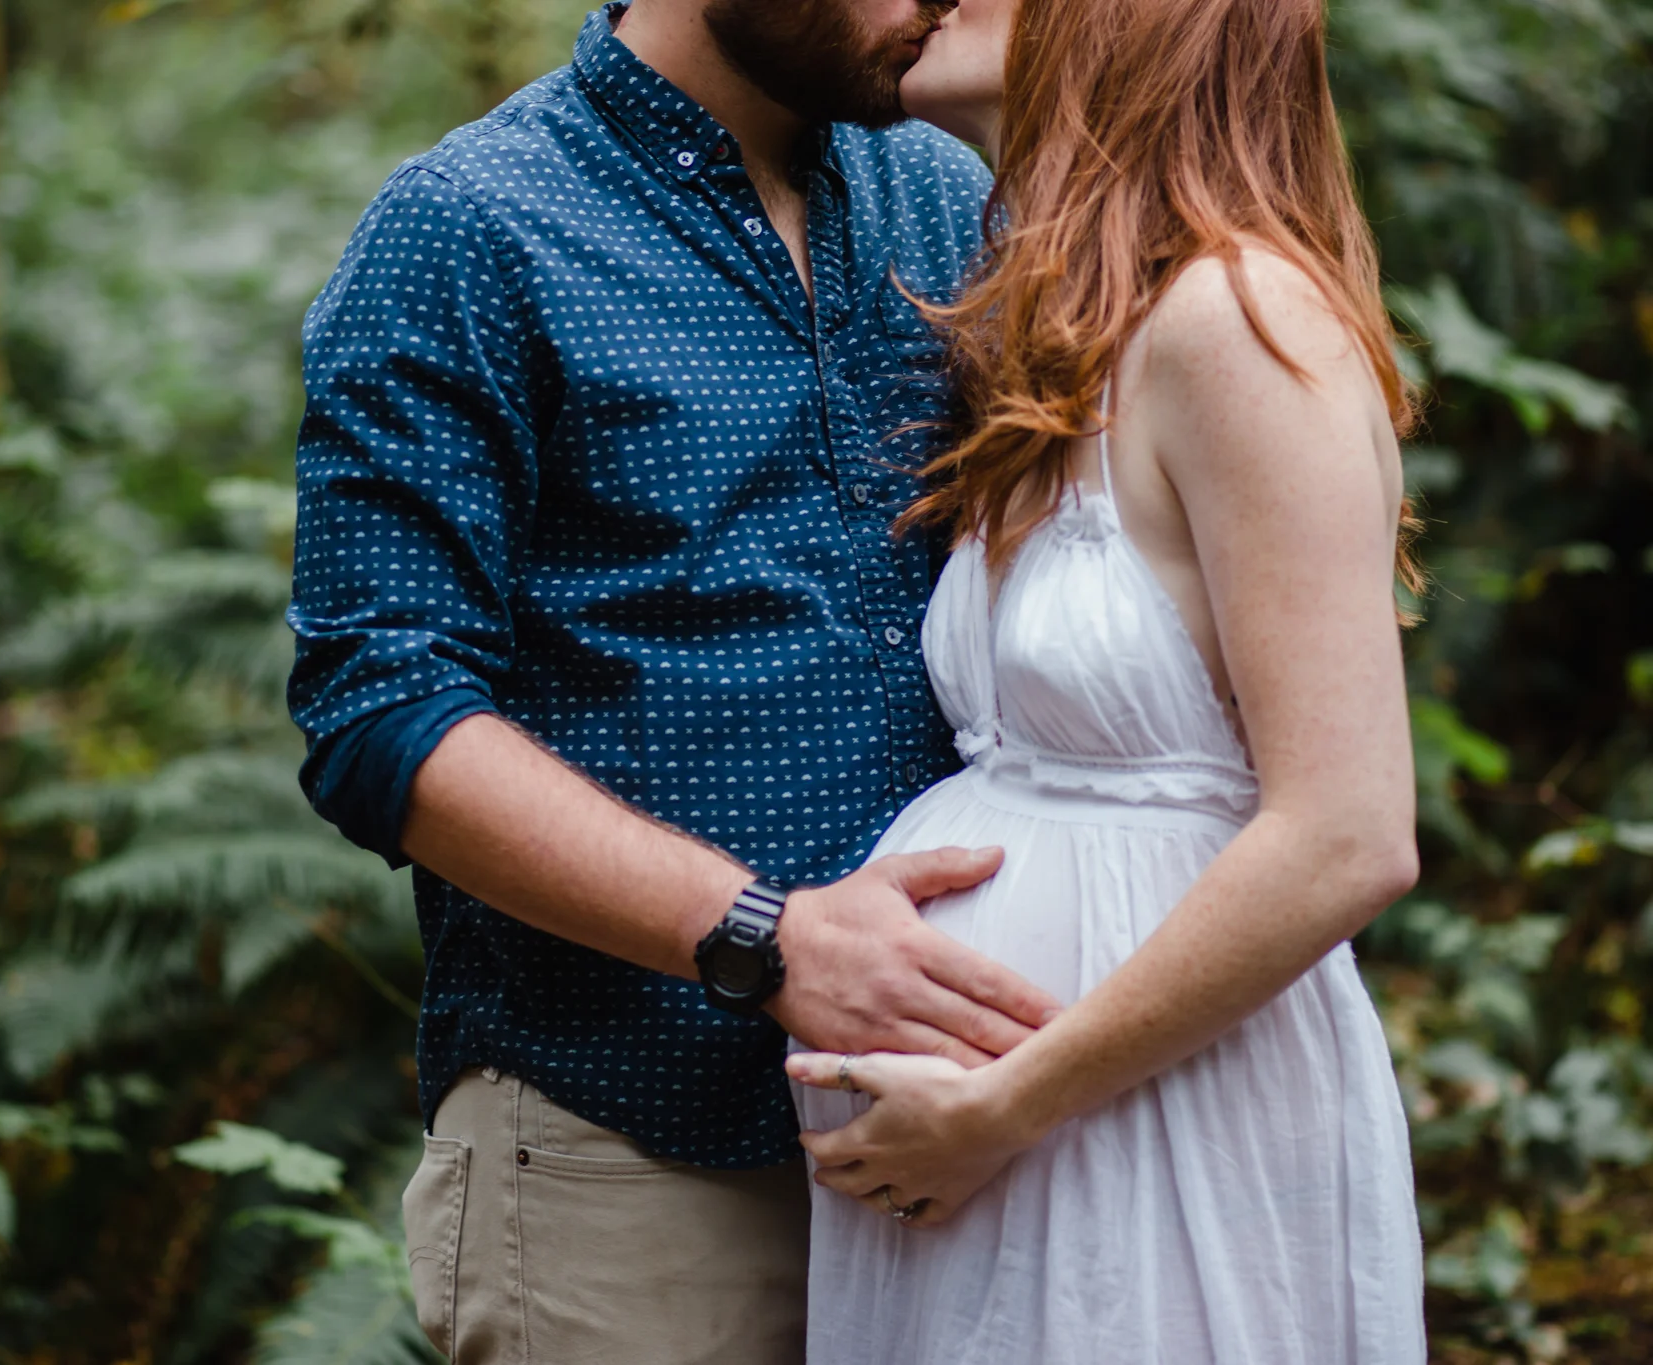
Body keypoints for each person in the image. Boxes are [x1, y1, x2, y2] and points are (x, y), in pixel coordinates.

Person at [286, 2, 1064, 1361]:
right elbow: (381, 710)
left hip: (958, 1147)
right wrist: (766, 936)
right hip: (628, 1162)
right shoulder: (467, 228)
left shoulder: (950, 201)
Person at [786, 0, 1429, 1360]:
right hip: (1010, 1138)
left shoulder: (1243, 324)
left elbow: (1347, 835)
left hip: (1139, 1111)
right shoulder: (1084, 341)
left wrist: (1012, 1100)